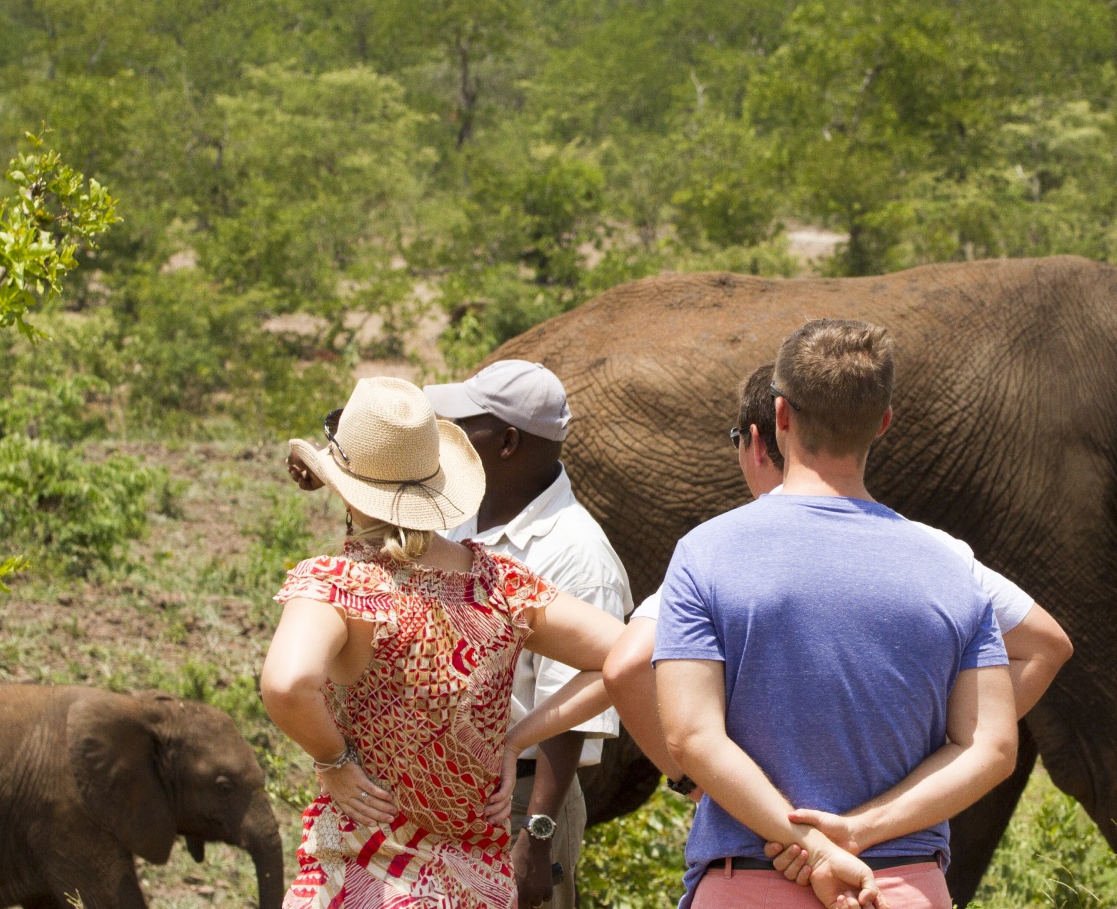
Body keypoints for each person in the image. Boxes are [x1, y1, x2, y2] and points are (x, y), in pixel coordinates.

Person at [655, 321, 1021, 909]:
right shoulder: (951, 565)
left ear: (780, 416)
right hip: (901, 885)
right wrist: (856, 833)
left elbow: (691, 736)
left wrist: (806, 839)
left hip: (747, 882)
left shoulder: (706, 551)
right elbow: (990, 749)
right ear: (883, 422)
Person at [606, 365, 1071, 800]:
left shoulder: (717, 551)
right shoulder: (936, 551)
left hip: (759, 845)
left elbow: (626, 666)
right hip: (894, 852)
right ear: (875, 426)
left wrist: (696, 780)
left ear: (760, 441)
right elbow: (1047, 645)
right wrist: (932, 764)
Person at [262, 376, 624, 909]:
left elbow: (288, 684)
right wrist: (515, 739)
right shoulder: (500, 582)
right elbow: (628, 654)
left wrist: (333, 759)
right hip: (475, 885)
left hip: (364, 879)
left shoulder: (341, 585)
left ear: (341, 485)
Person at [427, 360, 634, 909]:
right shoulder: (460, 518)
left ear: (507, 442)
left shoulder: (577, 555)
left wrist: (536, 837)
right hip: (446, 783)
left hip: (520, 796)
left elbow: (573, 707)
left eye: (465, 423)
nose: (450, 434)